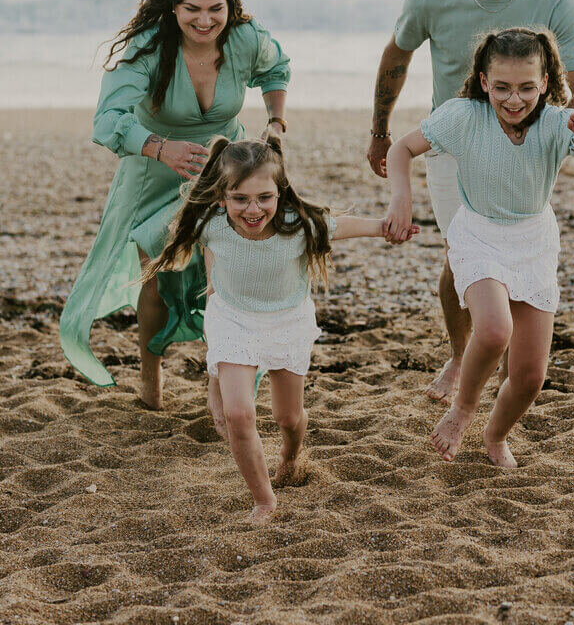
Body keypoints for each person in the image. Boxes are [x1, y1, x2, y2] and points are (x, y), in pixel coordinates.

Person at [367, 0, 574, 402]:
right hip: (454, 145)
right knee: (464, 252)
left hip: (529, 141)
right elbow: (395, 58)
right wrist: (380, 132)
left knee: (515, 248)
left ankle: (501, 350)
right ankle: (461, 353)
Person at [146, 135, 418, 524]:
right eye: (240, 199)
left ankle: (291, 454)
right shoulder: (210, 225)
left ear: (280, 192)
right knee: (239, 414)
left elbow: (343, 226)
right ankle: (264, 500)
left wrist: (387, 228)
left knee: (289, 417)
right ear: (222, 197)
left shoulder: (297, 224)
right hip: (234, 320)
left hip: (287, 321)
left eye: (264, 198)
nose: (253, 209)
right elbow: (177, 240)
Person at [59, 0, 291, 410]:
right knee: (156, 272)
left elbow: (276, 70)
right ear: (174, 8)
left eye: (215, 9)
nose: (205, 21)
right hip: (153, 172)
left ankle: (224, 376)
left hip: (223, 170)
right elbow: (108, 119)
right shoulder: (150, 47)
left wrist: (276, 123)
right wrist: (159, 147)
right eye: (192, 9)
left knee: (222, 271)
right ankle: (151, 379)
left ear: (230, 6)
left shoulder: (244, 39)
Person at [385, 27, 574, 466]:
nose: (514, 100)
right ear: (483, 82)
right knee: (494, 330)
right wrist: (402, 199)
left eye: (527, 88)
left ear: (545, 83)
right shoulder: (463, 116)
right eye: (502, 88)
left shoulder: (555, 122)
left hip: (533, 240)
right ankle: (463, 409)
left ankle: (496, 436)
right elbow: (401, 149)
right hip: (478, 233)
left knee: (530, 376)